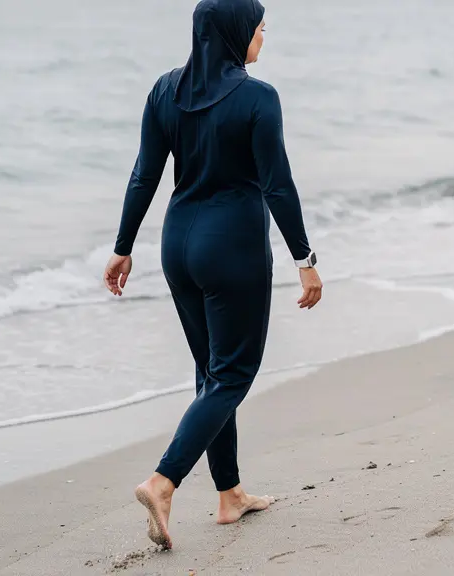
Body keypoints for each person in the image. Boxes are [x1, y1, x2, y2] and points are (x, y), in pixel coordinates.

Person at [102, 0, 322, 550]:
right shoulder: (258, 96)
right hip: (233, 248)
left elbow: (144, 173)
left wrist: (123, 247)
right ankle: (164, 481)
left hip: (178, 245)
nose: (263, 38)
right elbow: (277, 185)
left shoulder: (164, 90)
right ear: (234, 33)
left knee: (210, 373)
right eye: (259, 28)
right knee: (232, 375)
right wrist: (306, 260)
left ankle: (230, 496)